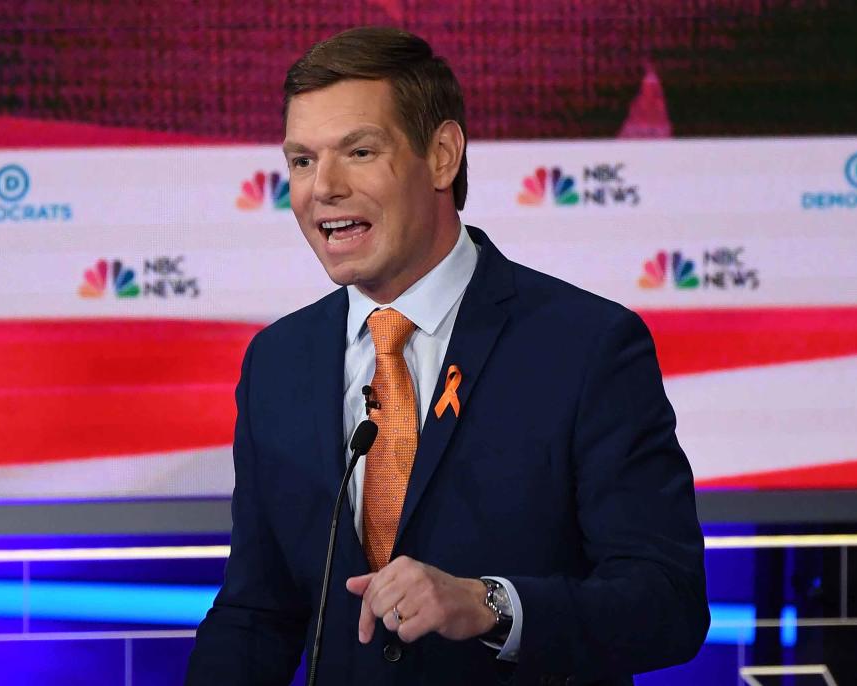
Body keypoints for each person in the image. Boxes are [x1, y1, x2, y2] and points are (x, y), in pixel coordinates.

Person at [186, 26, 709, 686]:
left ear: (441, 156)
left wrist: (490, 604)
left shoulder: (586, 348)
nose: (323, 187)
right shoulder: (277, 364)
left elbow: (668, 604)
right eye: (301, 161)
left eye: (360, 151)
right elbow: (257, 613)